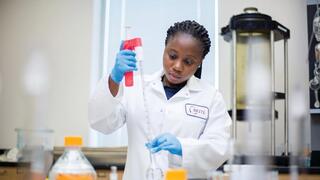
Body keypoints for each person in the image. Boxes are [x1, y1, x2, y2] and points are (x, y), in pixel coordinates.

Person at [89, 20, 232, 179]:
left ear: (199, 63)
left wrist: (183, 147)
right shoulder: (136, 87)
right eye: (172, 56)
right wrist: (114, 78)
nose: (177, 66)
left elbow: (220, 147)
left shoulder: (210, 97)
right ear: (164, 49)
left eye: (188, 61)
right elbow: (100, 123)